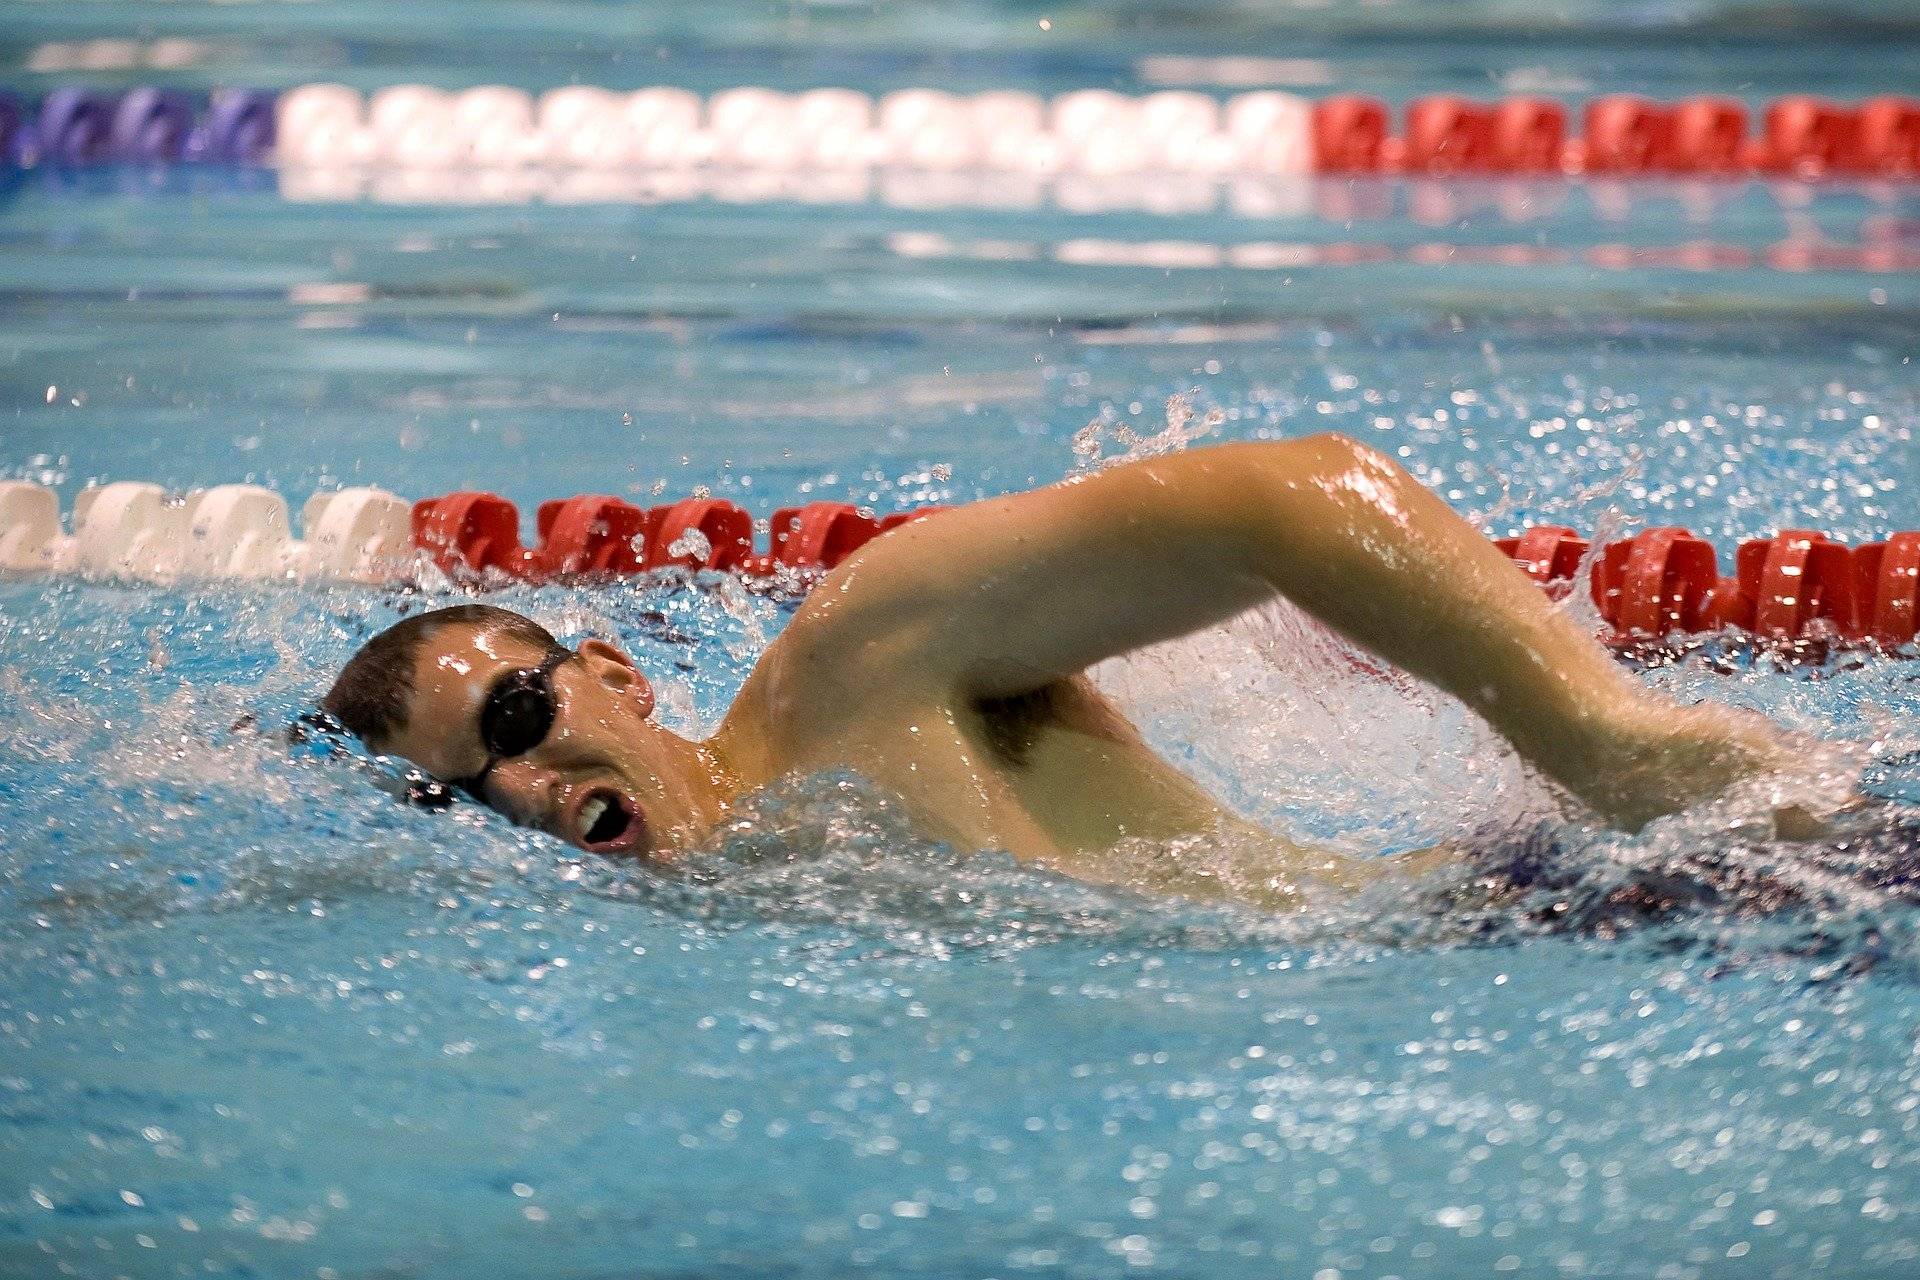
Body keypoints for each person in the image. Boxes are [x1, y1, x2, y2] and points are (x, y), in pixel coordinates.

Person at [322, 434, 1811, 908]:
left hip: (1576, 913)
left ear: (615, 673)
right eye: (467, 793)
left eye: (518, 717)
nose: (523, 787)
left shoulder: (847, 668)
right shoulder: (743, 897)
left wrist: (1597, 734)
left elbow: (1284, 494)